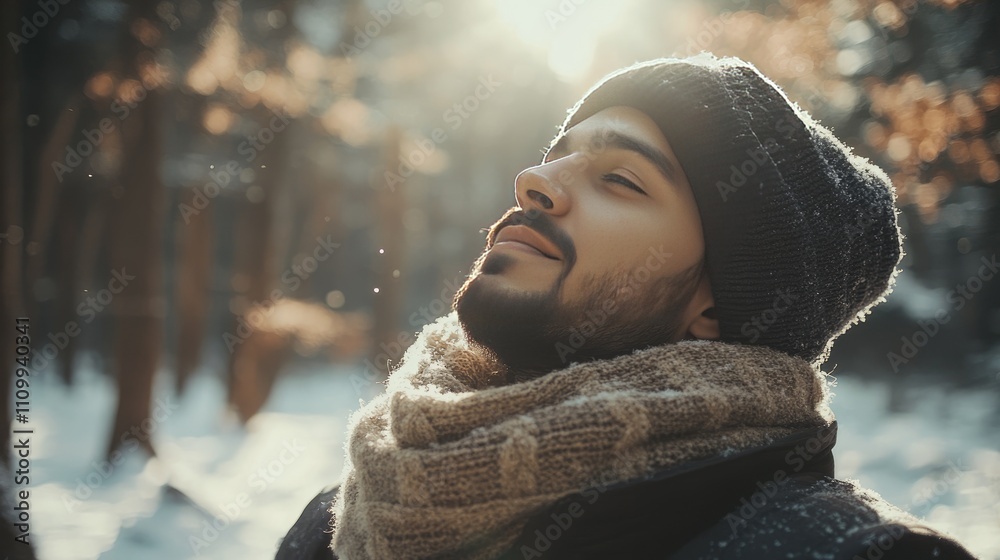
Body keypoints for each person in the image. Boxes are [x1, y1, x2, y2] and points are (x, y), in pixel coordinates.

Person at [275, 53, 978, 559]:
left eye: (619, 178)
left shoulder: (845, 552)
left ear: (716, 306)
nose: (534, 182)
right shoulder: (340, 524)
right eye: (554, 156)